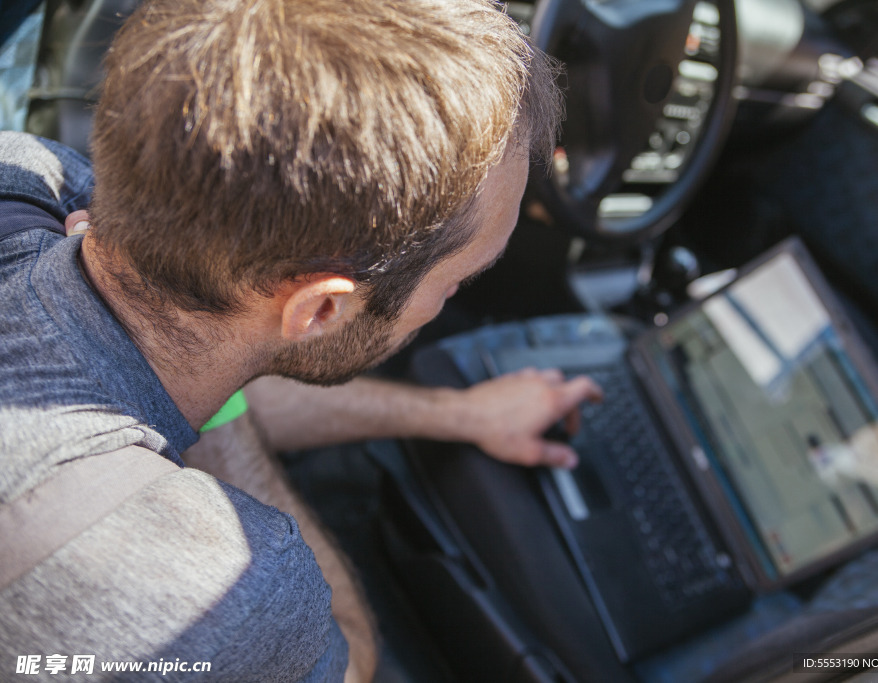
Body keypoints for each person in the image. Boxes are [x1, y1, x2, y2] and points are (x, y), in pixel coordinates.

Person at [0, 0, 601, 680]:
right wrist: (222, 420)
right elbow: (352, 662)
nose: (449, 301)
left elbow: (202, 347)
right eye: (457, 281)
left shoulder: (26, 179)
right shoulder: (218, 592)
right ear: (318, 310)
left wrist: (457, 415)